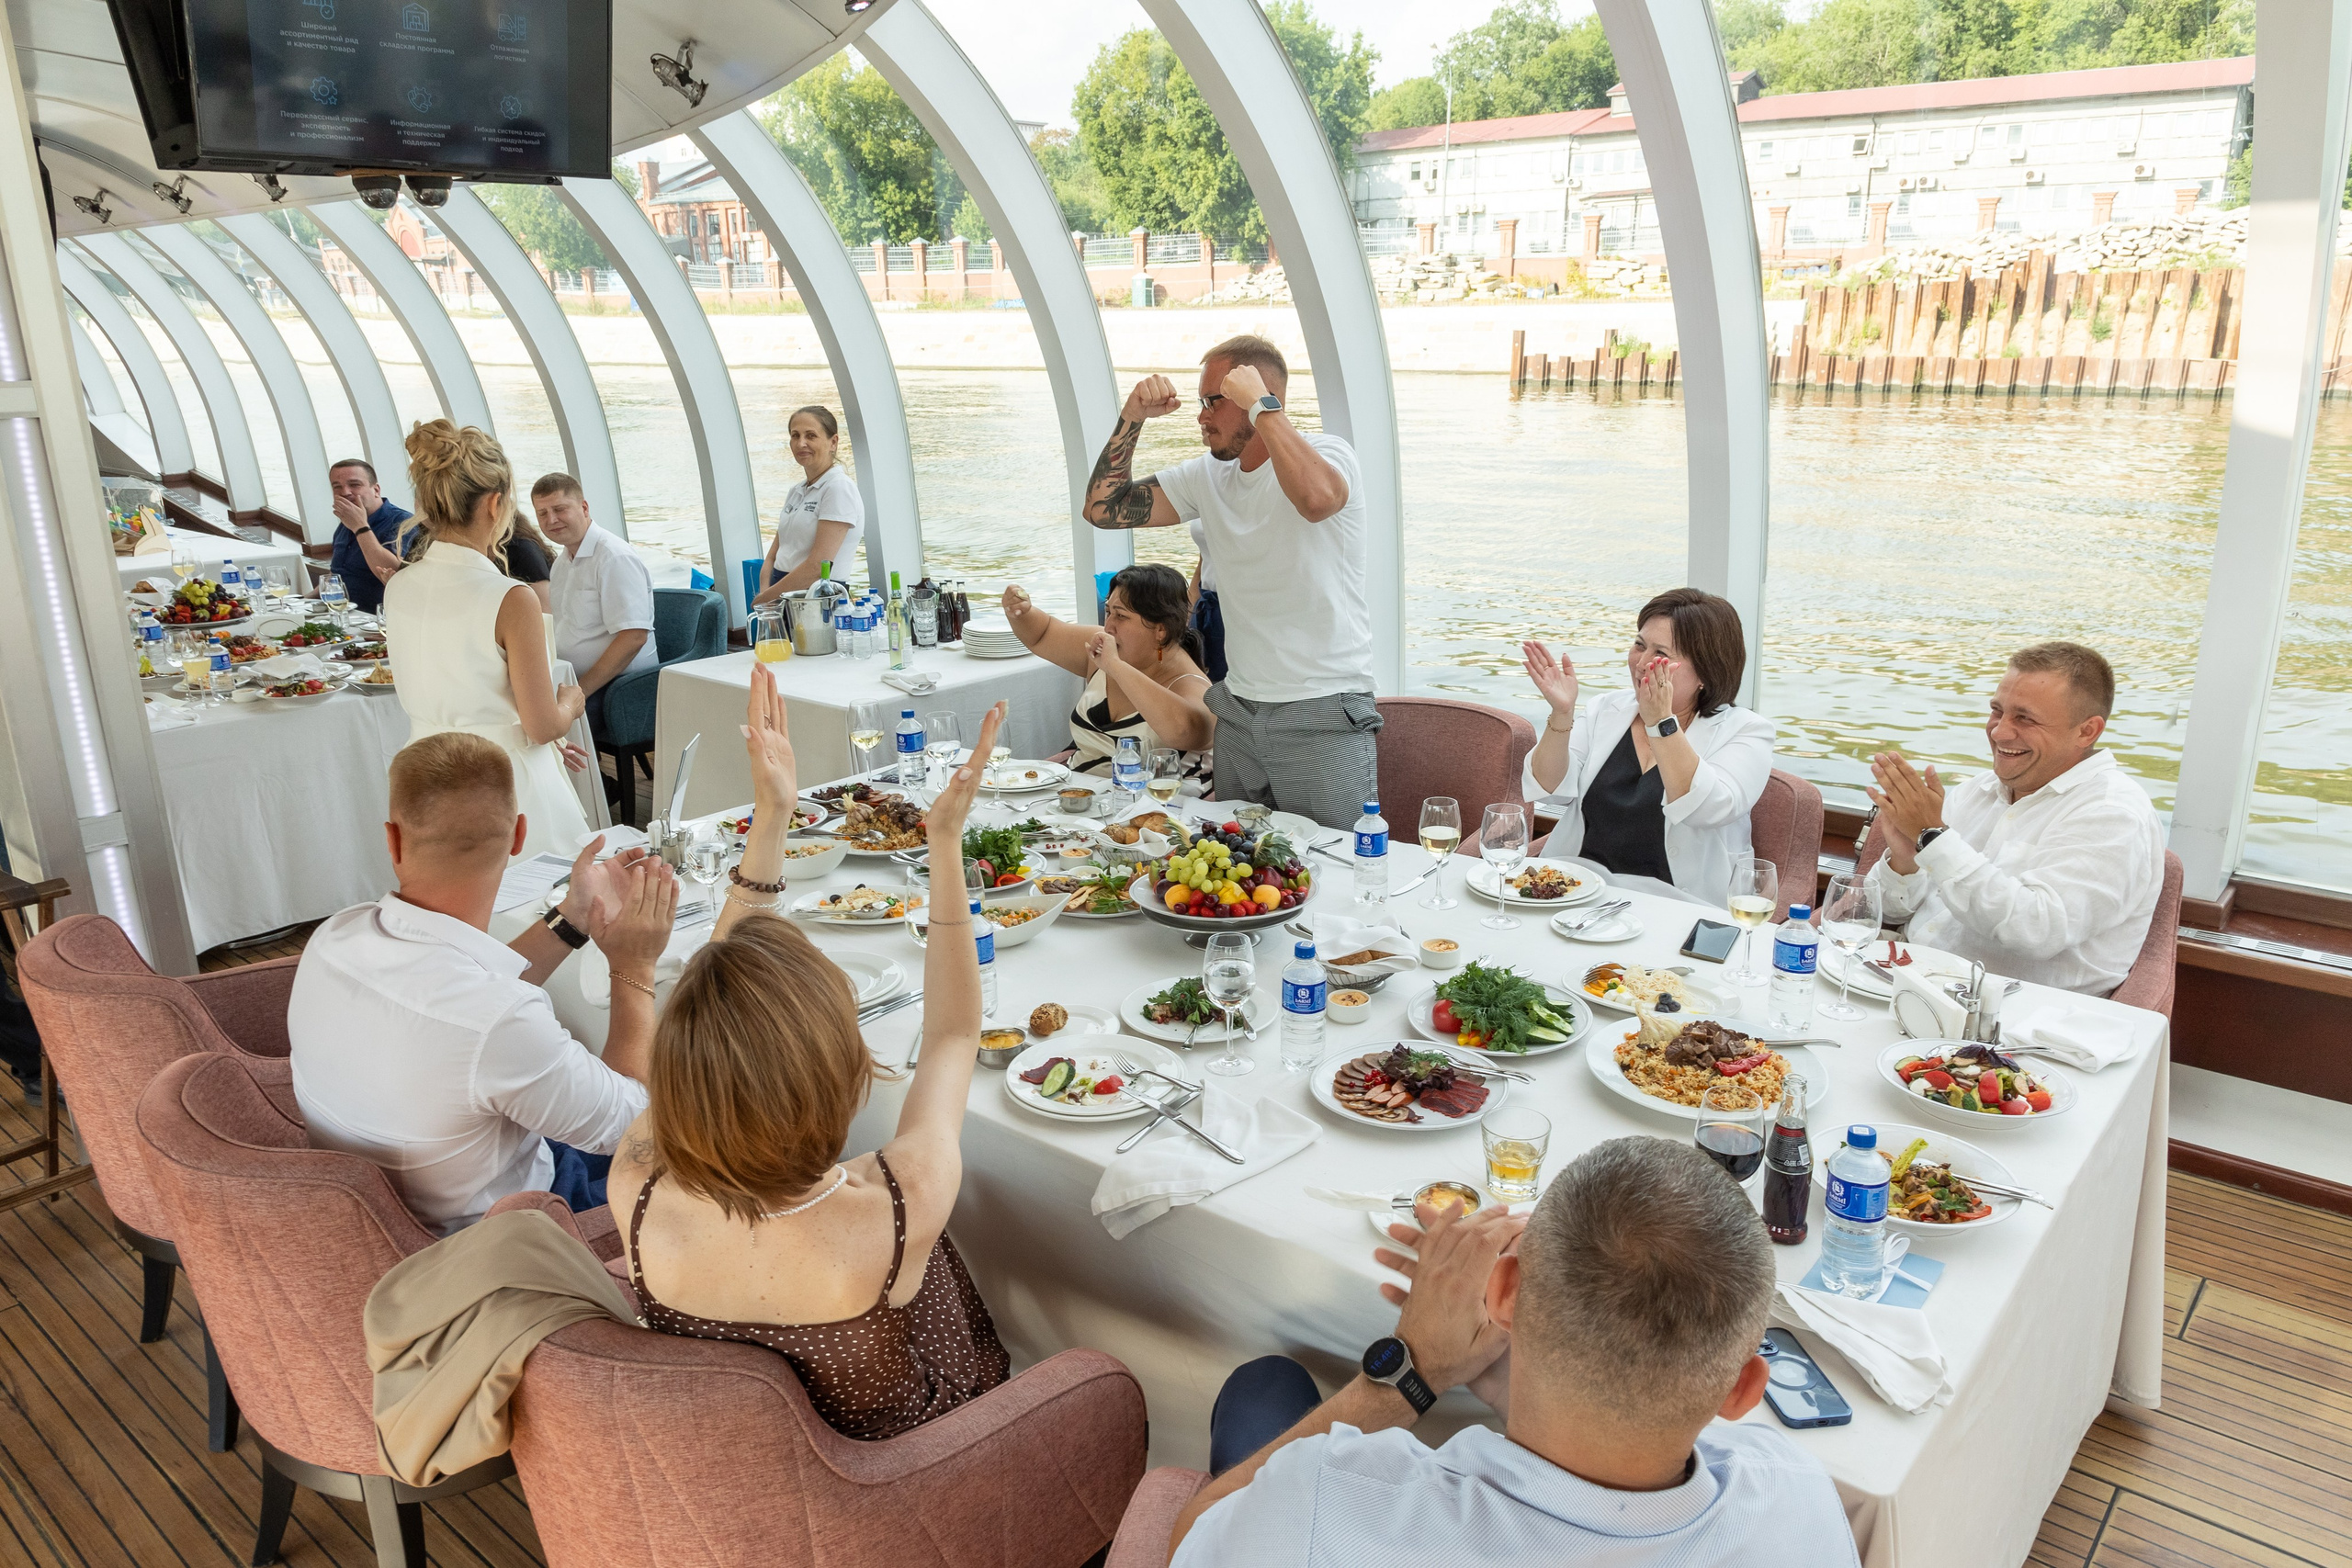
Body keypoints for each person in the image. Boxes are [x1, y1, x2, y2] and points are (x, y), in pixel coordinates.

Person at [606, 670, 1012, 1441]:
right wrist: (944, 845)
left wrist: (772, 817)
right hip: (911, 1476)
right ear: (842, 1081)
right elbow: (954, 1033)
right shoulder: (900, 1203)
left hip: (740, 1464)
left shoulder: (637, 1181)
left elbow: (721, 1001)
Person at [1167, 1138, 1858, 1566]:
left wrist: (1412, 1370)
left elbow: (1191, 1540)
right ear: (1742, 1390)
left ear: (1502, 1289)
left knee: (1265, 1384)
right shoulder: (1796, 1494)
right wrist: (1518, 1386)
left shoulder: (1328, 1499)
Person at [288, 732, 678, 1236]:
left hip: (382, 1212)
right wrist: (634, 965)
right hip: (503, 1239)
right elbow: (638, 1127)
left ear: (392, 839)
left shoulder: (335, 935)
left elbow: (469, 998)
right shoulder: (498, 1023)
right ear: (519, 836)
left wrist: (575, 915)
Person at [1082, 334, 1376, 828]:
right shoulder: (1207, 476)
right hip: (1239, 708)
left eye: (1213, 401)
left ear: (1256, 394)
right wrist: (1132, 416)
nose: (1201, 416)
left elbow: (1319, 500)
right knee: (1238, 860)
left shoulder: (1329, 453)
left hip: (1321, 707)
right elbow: (1101, 509)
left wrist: (1263, 407)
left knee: (1336, 857)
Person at [1863, 640, 2164, 995]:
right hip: (1909, 983)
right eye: (1997, 711)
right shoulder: (1976, 790)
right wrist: (1904, 863)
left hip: (2021, 1015)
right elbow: (1888, 913)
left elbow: (2037, 930)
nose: (1999, 731)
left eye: (2025, 718)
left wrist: (1933, 837)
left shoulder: (2113, 814)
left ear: (2087, 731)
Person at [385, 420, 593, 861]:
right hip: (501, 780)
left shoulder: (399, 585)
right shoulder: (510, 597)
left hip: (426, 776)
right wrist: (570, 703)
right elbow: (541, 726)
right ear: (495, 504)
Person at [1521, 589, 1776, 908]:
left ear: (1705, 671)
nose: (1641, 663)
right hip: (1577, 890)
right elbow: (1549, 788)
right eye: (1640, 645)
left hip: (1678, 905)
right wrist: (1562, 713)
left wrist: (1660, 723)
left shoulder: (1747, 731)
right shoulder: (1607, 708)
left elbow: (1708, 809)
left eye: (1660, 654)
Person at [999, 564, 1215, 773]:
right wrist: (1022, 612)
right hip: (1080, 791)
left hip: (1164, 797)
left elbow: (1185, 732)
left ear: (1161, 630)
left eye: (1121, 616)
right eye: (1108, 611)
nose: (1108, 627)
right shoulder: (1103, 646)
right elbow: (1043, 634)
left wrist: (1115, 667)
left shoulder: (1191, 684)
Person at [533, 471, 657, 764]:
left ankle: (587, 786)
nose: (552, 520)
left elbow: (634, 637)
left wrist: (580, 691)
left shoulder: (614, 557)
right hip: (573, 677)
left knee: (543, 725)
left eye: (560, 509)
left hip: (621, 686)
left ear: (584, 508)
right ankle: (592, 782)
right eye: (543, 513)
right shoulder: (561, 563)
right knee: (523, 712)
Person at [754, 405, 865, 604]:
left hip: (815, 601)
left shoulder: (838, 488)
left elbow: (817, 567)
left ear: (833, 442)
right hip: (779, 598)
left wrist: (767, 600)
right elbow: (773, 556)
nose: (801, 443)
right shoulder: (796, 491)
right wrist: (765, 596)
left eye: (811, 436)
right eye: (795, 435)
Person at [326, 458, 413, 616]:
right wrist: (305, 600)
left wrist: (360, 527)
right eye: (337, 487)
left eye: (354, 485)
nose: (345, 492)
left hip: (378, 617)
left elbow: (394, 574)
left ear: (376, 490)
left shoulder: (402, 523)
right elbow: (338, 575)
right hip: (341, 615)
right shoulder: (345, 524)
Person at [1187, 518, 1227, 684]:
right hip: (1206, 606)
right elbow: (1204, 558)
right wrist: (1188, 611)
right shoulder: (1205, 502)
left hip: (1244, 610)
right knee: (1201, 681)